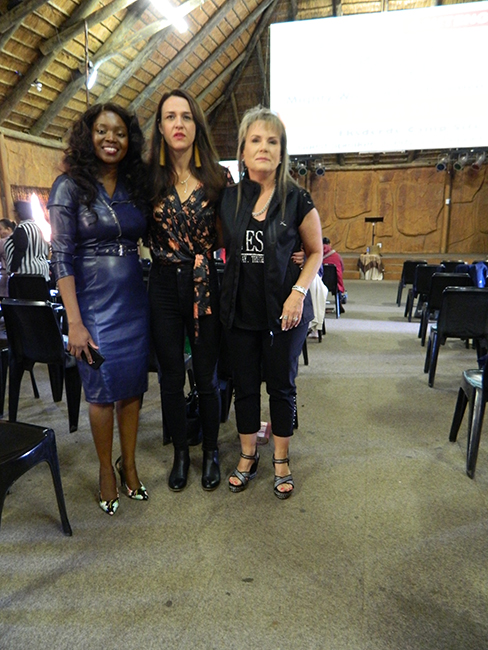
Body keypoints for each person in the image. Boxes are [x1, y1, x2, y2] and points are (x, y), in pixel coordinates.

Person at [48, 103, 150, 516]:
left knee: (132, 389)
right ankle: (106, 469)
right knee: (101, 392)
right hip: (91, 305)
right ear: (88, 136)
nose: (112, 138)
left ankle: (131, 465)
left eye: (120, 132)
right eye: (103, 130)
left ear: (130, 140)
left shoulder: (135, 185)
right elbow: (60, 256)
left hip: (134, 302)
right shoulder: (68, 186)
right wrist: (74, 321)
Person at [219, 106, 323, 499]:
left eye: (272, 141)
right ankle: (248, 455)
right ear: (243, 151)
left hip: (285, 313)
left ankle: (281, 459)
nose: (264, 147)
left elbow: (315, 252)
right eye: (256, 140)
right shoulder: (228, 199)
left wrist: (298, 293)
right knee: (244, 387)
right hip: (240, 312)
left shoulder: (297, 199)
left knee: (281, 386)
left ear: (282, 153)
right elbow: (218, 244)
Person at [147, 89, 232, 492]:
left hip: (204, 281)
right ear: (160, 127)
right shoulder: (148, 180)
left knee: (205, 375)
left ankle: (211, 451)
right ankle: (181, 453)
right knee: (169, 377)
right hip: (163, 283)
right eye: (170, 117)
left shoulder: (219, 178)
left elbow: (232, 234)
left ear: (197, 125)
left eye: (186, 116)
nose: (178, 123)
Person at [4, 200, 50, 281]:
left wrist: (13, 268)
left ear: (17, 213)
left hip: (26, 274)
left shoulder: (21, 228)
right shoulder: (40, 227)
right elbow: (47, 248)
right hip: (42, 271)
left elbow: (20, 248)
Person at [322, 236, 346, 312]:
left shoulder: (316, 255)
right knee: (336, 279)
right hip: (334, 284)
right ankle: (339, 302)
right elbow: (342, 268)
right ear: (330, 244)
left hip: (320, 283)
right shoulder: (336, 256)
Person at [0, 218, 15, 297]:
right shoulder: (19, 239)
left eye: (0, 229)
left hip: (5, 275)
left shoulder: (2, 242)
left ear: (8, 229)